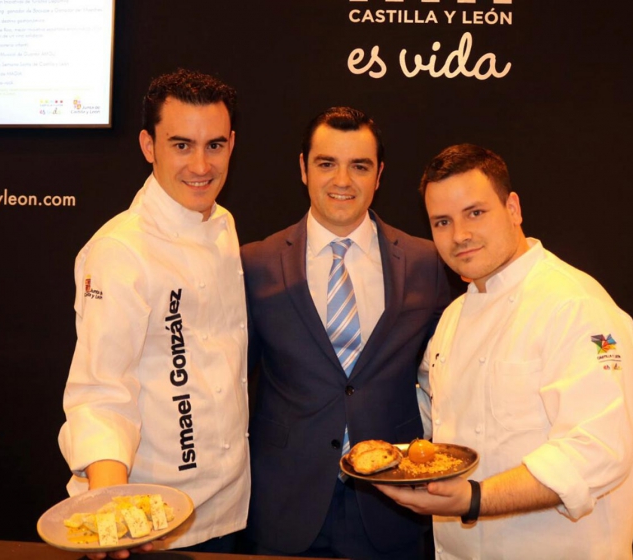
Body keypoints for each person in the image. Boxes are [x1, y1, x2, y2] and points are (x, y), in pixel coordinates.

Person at [376, 144, 633, 559]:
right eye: (442, 221)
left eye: (475, 212)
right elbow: (434, 416)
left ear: (513, 208)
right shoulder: (453, 316)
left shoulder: (576, 305)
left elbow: (598, 450)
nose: (459, 235)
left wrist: (474, 498)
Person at [240, 107, 451, 559]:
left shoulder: (427, 263)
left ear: (379, 175)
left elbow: (449, 376)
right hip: (284, 503)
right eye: (326, 163)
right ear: (303, 168)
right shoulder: (255, 264)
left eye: (359, 166)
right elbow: (230, 383)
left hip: (392, 504)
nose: (343, 180)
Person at [58, 69, 249, 556]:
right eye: (181, 145)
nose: (201, 165)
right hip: (149, 522)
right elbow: (101, 392)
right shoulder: (120, 251)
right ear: (148, 145)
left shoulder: (224, 224)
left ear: (232, 145)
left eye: (214, 146)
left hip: (227, 507)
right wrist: (111, 504)